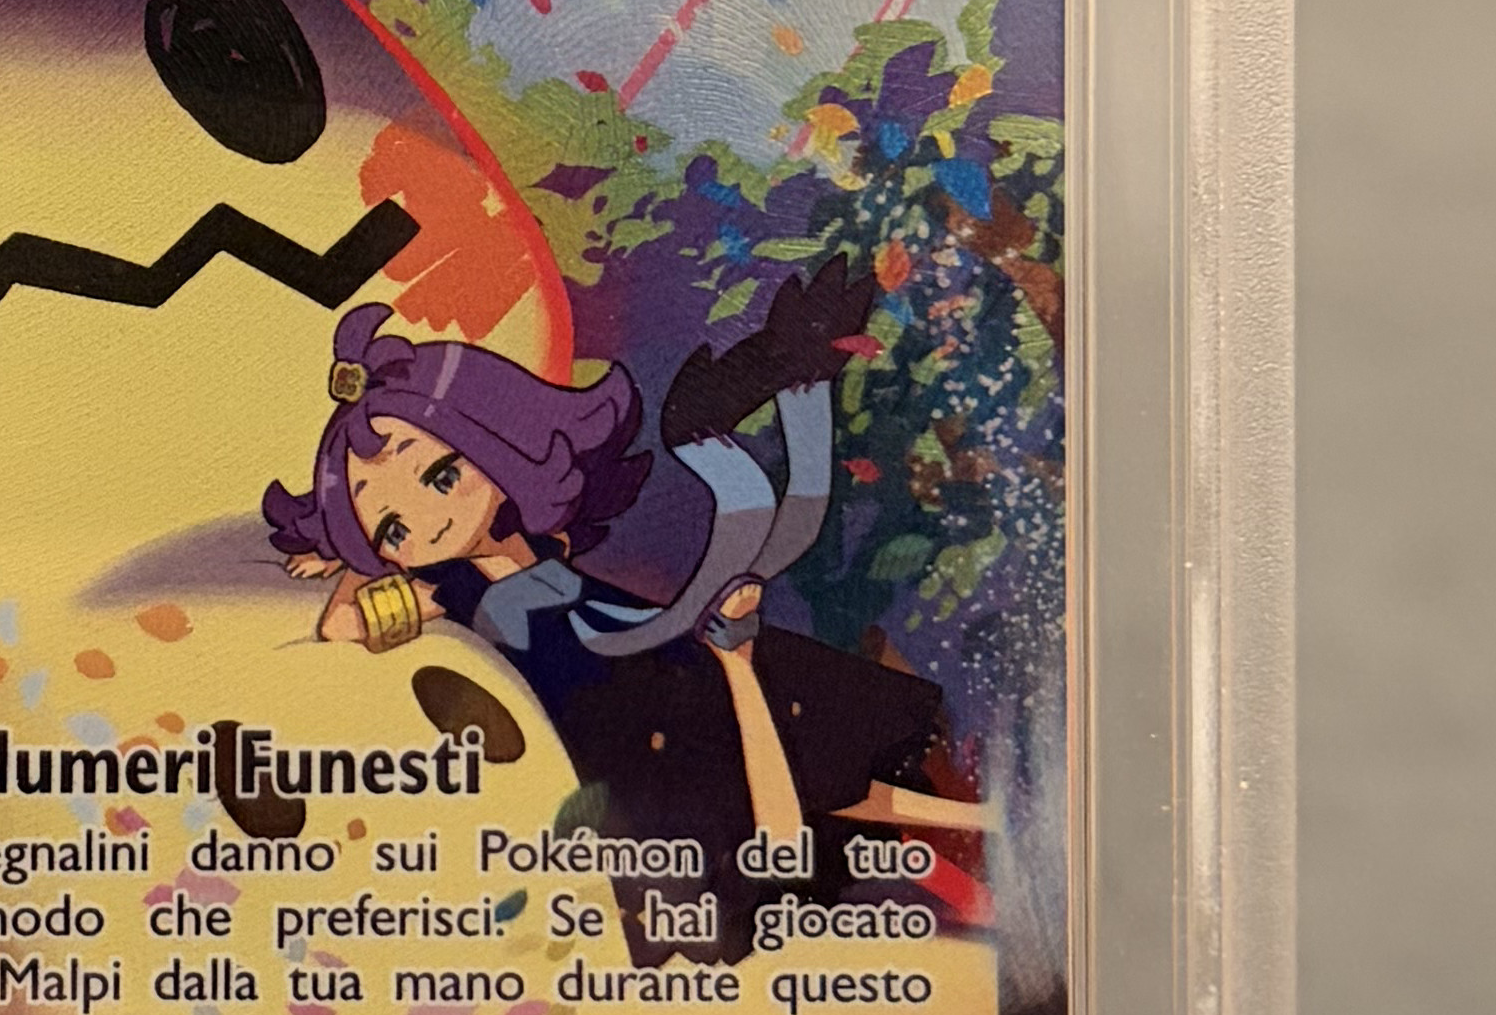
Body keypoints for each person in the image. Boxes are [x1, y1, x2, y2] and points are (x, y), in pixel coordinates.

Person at [263, 270, 980, 947]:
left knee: (817, 752)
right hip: (622, 732)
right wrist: (356, 560)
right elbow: (341, 625)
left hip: (658, 660)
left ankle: (981, 828)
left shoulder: (538, 541)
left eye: (443, 475)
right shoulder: (451, 586)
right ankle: (955, 865)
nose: (426, 520)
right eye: (391, 528)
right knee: (769, 812)